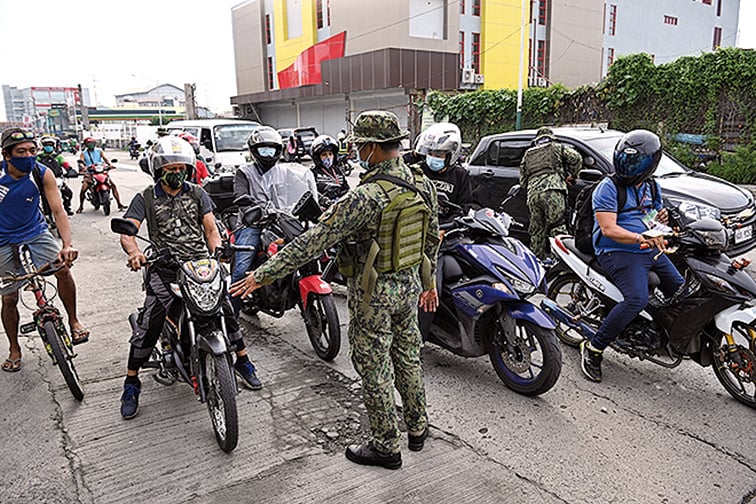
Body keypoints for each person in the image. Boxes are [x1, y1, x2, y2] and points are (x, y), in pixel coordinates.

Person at [230, 110, 440, 470]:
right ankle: (418, 428)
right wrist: (428, 282)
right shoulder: (422, 183)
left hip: (373, 294)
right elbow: (432, 237)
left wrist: (261, 275)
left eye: (359, 145)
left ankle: (386, 446)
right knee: (408, 357)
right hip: (408, 288)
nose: (356, 151)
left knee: (373, 366)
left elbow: (311, 242)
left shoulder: (365, 197)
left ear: (373, 148)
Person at [116, 135, 262, 420]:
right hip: (165, 266)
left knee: (227, 306)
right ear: (159, 170)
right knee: (152, 320)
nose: (177, 173)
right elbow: (128, 232)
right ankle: (132, 381)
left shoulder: (197, 193)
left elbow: (210, 228)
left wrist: (217, 249)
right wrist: (134, 252)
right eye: (171, 168)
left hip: (201, 264)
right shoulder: (145, 196)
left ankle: (242, 361)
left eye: (181, 167)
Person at [580, 130, 685, 382]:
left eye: (637, 161)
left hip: (649, 249)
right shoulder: (608, 187)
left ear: (651, 163)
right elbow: (609, 228)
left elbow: (648, 215)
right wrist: (641, 238)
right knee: (636, 298)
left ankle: (656, 333)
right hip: (616, 250)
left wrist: (660, 220)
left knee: (681, 290)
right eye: (626, 159)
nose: (630, 166)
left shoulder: (651, 186)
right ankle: (594, 348)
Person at [0, 127, 89, 373]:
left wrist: (67, 244)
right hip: (2, 239)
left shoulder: (41, 172)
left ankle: (73, 320)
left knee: (62, 269)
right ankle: (14, 348)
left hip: (35, 231)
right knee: (9, 297)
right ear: (7, 155)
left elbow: (58, 211)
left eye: (32, 150)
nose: (28, 156)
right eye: (21, 152)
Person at [229, 126, 317, 315]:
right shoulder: (244, 173)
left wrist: (319, 200)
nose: (268, 153)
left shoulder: (285, 171)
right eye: (263, 149)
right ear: (254, 150)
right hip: (252, 223)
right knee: (241, 268)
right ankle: (230, 319)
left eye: (272, 149)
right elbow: (241, 196)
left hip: (283, 219)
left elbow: (302, 188)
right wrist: (251, 209)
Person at [518, 127, 582, 259]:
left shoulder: (528, 154)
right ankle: (561, 261)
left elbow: (523, 180)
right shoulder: (557, 147)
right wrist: (573, 176)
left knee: (537, 230)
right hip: (553, 191)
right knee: (557, 226)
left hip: (533, 194)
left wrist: (533, 186)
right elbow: (576, 158)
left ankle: (537, 261)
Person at [413, 122, 475, 224]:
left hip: (447, 227)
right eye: (430, 153)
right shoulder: (419, 170)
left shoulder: (460, 175)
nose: (432, 158)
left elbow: (464, 207)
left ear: (450, 155)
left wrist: (446, 227)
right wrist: (414, 155)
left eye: (438, 155)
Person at [77, 136, 127, 213]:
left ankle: (119, 204)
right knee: (84, 188)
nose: (91, 145)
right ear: (86, 145)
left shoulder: (99, 151)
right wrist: (83, 167)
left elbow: (105, 159)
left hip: (101, 171)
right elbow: (81, 162)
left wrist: (109, 165)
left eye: (92, 143)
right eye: (89, 143)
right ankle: (81, 206)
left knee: (113, 185)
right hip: (90, 173)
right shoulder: (83, 154)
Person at [309, 134, 349, 208]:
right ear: (317, 157)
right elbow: (310, 191)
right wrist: (323, 199)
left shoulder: (338, 171)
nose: (328, 157)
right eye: (324, 155)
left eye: (330, 154)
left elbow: (346, 188)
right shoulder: (313, 172)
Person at [38, 136, 74, 216]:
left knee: (68, 193)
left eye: (50, 145)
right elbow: (33, 166)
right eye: (46, 145)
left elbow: (65, 164)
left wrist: (70, 170)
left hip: (57, 179)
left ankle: (67, 207)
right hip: (42, 180)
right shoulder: (39, 157)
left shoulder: (58, 156)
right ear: (43, 146)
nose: (48, 147)